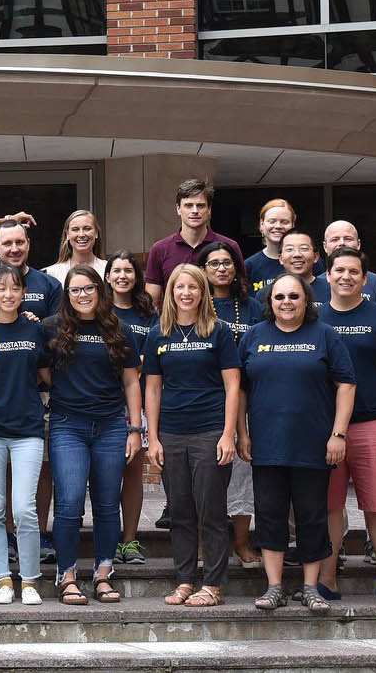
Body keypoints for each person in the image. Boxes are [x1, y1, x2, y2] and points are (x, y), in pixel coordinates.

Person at [237, 274, 355, 614]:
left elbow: (346, 385)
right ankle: (274, 587)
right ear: (269, 303)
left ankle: (310, 587)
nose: (286, 302)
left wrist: (338, 433)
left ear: (306, 301)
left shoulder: (325, 335)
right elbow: (240, 389)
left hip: (313, 445)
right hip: (266, 445)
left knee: (312, 517)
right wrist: (243, 434)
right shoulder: (254, 336)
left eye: (293, 296)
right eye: (279, 297)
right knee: (270, 516)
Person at [318, 247, 376, 609]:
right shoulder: (315, 318)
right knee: (328, 507)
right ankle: (326, 579)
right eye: (338, 270)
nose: (345, 277)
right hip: (326, 429)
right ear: (327, 276)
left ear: (364, 277)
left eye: (353, 271)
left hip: (375, 423)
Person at [142, 263, 239, 609]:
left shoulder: (219, 332)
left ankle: (212, 583)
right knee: (180, 510)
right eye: (179, 287)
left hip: (210, 430)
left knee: (211, 510)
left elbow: (232, 386)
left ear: (203, 292)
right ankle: (184, 579)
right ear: (170, 293)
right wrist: (152, 438)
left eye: (193, 287)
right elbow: (152, 390)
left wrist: (229, 435)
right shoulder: (158, 333)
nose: (186, 293)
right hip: (171, 432)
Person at [46, 265, 142, 607]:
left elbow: (132, 381)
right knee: (70, 502)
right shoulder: (52, 328)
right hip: (67, 424)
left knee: (106, 502)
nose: (82, 295)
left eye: (88, 289)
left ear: (99, 291)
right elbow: (43, 374)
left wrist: (135, 429)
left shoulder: (119, 328)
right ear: (67, 295)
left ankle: (103, 572)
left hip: (111, 426)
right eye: (75, 290)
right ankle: (67, 574)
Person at [0, 265, 51, 606]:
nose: (8, 294)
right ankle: (3, 579)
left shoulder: (35, 330)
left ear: (23, 293)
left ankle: (30, 580)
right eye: (1, 289)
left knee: (24, 508)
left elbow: (47, 376)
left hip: (27, 429)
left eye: (14, 289)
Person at [197, 238, 262, 568]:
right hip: (206, 398)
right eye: (214, 264)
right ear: (203, 270)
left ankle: (241, 541)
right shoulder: (194, 303)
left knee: (241, 471)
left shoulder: (251, 306)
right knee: (203, 474)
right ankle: (203, 542)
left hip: (249, 396)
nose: (221, 269)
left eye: (227, 263)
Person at [107, 249, 155, 565]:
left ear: (136, 277)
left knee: (133, 472)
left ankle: (131, 540)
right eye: (117, 270)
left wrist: (138, 363)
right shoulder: (98, 312)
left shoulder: (148, 315)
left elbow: (158, 357)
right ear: (107, 276)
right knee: (107, 475)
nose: (122, 276)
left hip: (139, 403)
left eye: (129, 270)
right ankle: (108, 539)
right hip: (106, 402)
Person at [143, 178, 244, 305]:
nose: (195, 211)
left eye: (200, 205)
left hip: (221, 321)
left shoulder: (229, 246)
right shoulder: (160, 249)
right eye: (189, 205)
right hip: (175, 323)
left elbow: (242, 289)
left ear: (209, 210)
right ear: (178, 209)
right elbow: (152, 301)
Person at [310, 221, 376, 305]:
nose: (342, 243)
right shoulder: (313, 287)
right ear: (325, 246)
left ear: (358, 244)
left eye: (348, 239)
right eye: (335, 239)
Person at [0, 221, 62, 317]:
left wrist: (35, 326)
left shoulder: (51, 285)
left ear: (28, 244)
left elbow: (59, 327)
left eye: (19, 242)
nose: (14, 249)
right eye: (7, 244)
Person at [244, 199, 299, 298]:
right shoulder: (249, 266)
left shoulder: (307, 261)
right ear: (261, 225)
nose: (278, 226)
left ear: (293, 225)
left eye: (284, 222)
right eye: (272, 221)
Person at [43, 209, 103, 285]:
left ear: (96, 233)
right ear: (67, 234)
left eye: (87, 229)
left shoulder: (109, 270)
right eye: (75, 229)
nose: (81, 234)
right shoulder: (50, 274)